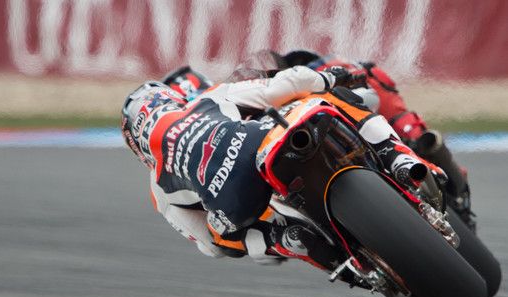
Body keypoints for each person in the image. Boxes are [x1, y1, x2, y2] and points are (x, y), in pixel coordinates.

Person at [121, 66, 431, 266]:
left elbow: (210, 245)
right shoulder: (207, 100)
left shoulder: (158, 187)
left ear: (137, 144)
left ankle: (288, 241)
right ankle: (397, 157)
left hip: (236, 202)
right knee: (333, 98)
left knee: (225, 235)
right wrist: (328, 77)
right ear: (170, 100)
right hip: (258, 142)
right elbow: (282, 86)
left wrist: (229, 225)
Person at [164, 52, 475, 231]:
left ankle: (419, 160)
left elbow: (337, 74)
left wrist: (337, 75)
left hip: (323, 121)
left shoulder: (235, 90)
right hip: (282, 169)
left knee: (376, 92)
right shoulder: (184, 150)